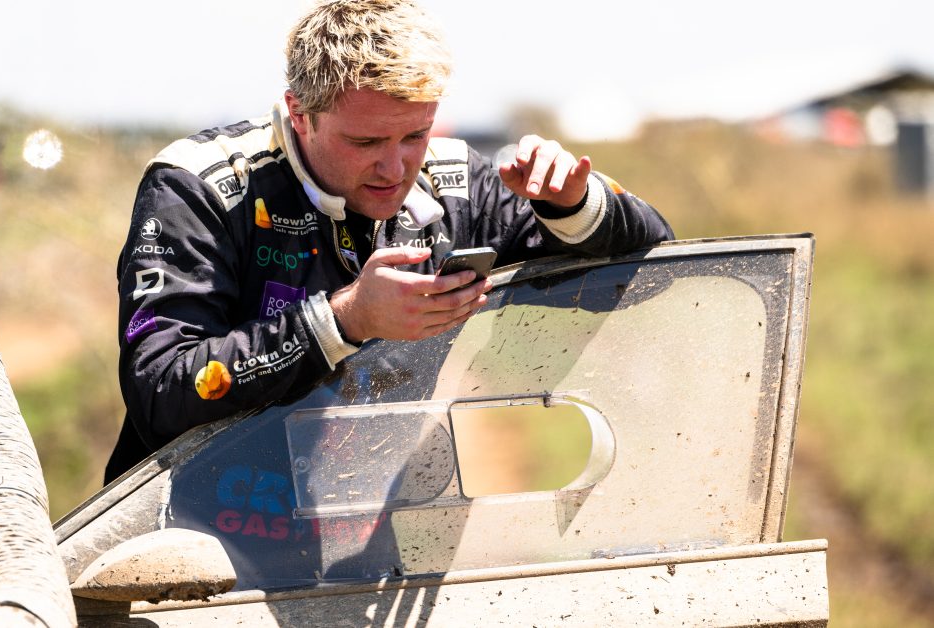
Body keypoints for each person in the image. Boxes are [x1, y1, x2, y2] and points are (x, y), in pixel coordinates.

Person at [104, 0, 673, 483]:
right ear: (299, 113)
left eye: (415, 135)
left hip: (385, 534)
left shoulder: (456, 180)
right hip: (198, 540)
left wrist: (573, 204)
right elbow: (161, 391)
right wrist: (345, 320)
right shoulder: (199, 186)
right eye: (366, 141)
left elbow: (657, 269)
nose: (395, 168)